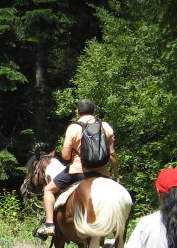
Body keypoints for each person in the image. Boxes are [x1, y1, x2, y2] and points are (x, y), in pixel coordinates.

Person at [34, 98, 117, 238]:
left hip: (77, 171)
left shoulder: (74, 127)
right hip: (102, 173)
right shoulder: (106, 126)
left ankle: (49, 225)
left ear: (78, 112)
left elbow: (65, 156)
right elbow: (113, 155)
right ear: (94, 111)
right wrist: (116, 175)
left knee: (48, 190)